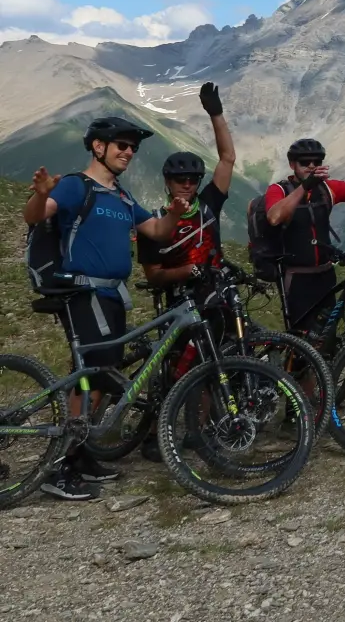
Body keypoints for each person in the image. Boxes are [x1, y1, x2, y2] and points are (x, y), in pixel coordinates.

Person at [23, 117, 186, 500]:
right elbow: (34, 215)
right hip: (82, 292)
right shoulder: (75, 187)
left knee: (102, 373)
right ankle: (59, 468)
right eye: (121, 145)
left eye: (133, 147)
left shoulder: (122, 197)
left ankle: (81, 456)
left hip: (112, 295)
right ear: (98, 147)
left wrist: (175, 214)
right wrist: (40, 193)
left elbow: (157, 232)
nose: (129, 152)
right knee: (91, 375)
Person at [133, 84, 236, 462]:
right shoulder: (155, 224)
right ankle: (159, 433)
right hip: (178, 303)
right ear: (168, 182)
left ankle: (201, 429)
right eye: (181, 180)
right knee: (177, 369)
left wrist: (216, 113)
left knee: (214, 362)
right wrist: (185, 271)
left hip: (215, 295)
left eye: (193, 179)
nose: (188, 185)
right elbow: (155, 274)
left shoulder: (208, 205)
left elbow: (226, 159)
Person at [263, 86, 345, 340]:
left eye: (316, 162)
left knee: (325, 339)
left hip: (326, 275)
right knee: (303, 344)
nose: (311, 166)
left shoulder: (327, 189)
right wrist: (304, 187)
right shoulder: (278, 189)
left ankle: (326, 379)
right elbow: (274, 217)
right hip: (296, 279)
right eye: (304, 162)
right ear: (292, 165)